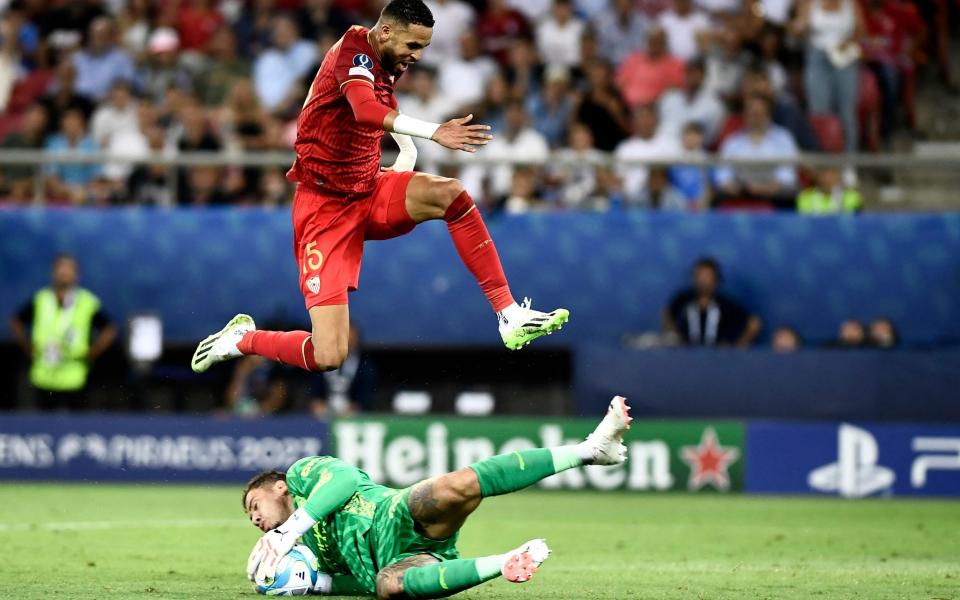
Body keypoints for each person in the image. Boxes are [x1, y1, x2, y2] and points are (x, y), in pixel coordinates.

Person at [191, 0, 569, 378]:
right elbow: (365, 111)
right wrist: (434, 132)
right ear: (386, 31)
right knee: (329, 355)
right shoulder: (353, 54)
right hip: (325, 210)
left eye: (423, 47)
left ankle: (509, 314)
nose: (418, 56)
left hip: (369, 188)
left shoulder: (389, 58)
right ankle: (242, 339)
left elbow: (386, 107)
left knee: (451, 194)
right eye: (413, 46)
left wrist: (407, 153)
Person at [243, 397, 632, 598]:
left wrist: (288, 531)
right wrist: (319, 584)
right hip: (395, 560)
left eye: (253, 505)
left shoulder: (300, 478)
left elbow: (345, 479)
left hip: (390, 515)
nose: (255, 519)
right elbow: (356, 584)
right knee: (387, 588)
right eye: (251, 519)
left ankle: (590, 449)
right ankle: (507, 561)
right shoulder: (306, 550)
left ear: (276, 488)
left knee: (456, 485)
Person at [8, 254, 116, 411]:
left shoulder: (87, 301)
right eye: (61, 269)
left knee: (77, 428)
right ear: (53, 272)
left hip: (75, 375)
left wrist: (93, 352)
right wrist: (28, 348)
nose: (64, 273)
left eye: (69, 269)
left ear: (76, 275)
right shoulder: (41, 298)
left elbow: (109, 328)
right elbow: (16, 321)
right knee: (42, 427)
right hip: (43, 375)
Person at [713, 94, 799, 208]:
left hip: (775, 197)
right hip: (739, 195)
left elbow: (788, 174)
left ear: (768, 114)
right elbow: (722, 173)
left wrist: (766, 188)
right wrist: (730, 185)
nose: (755, 119)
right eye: (752, 114)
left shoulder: (783, 138)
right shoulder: (732, 141)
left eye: (759, 114)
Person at [663, 257, 762, 347]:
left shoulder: (726, 304)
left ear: (716, 279)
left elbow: (754, 323)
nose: (703, 281)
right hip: (686, 355)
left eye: (707, 276)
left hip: (718, 358)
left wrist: (738, 346)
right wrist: (673, 335)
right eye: (700, 276)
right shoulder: (683, 300)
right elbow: (667, 314)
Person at [796, 167, 862, 214]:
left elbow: (852, 223)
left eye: (831, 175)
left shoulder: (852, 197)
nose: (827, 180)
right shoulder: (805, 197)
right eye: (824, 175)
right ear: (817, 177)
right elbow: (805, 223)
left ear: (837, 177)